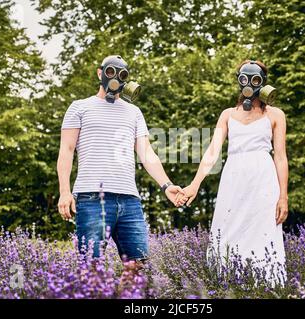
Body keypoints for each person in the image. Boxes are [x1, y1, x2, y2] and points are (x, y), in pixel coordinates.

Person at [57, 55, 184, 262]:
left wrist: (166, 185)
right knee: (91, 266)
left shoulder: (133, 112)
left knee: (138, 264)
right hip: (91, 198)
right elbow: (66, 150)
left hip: (129, 199)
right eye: (110, 72)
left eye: (121, 74)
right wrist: (64, 192)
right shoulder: (79, 107)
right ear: (100, 73)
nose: (114, 77)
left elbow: (146, 153)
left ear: (127, 80)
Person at [179, 60, 289, 285]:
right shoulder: (228, 114)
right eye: (245, 78)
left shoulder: (276, 115)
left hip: (263, 180)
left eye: (256, 80)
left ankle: (266, 288)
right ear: (239, 81)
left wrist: (283, 196)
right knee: (228, 228)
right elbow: (212, 152)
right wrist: (194, 184)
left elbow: (280, 157)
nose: (250, 84)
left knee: (263, 231)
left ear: (263, 83)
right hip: (233, 178)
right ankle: (226, 287)